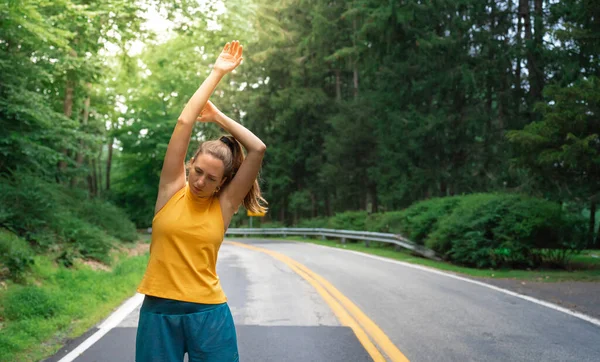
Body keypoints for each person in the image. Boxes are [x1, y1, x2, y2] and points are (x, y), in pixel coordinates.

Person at [135, 40, 267, 362]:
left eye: (211, 178)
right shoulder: (171, 189)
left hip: (209, 314)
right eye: (197, 171)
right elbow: (184, 122)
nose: (199, 182)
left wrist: (218, 116)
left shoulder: (224, 205)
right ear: (189, 164)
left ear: (223, 182)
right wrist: (217, 72)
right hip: (158, 313)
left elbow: (258, 149)